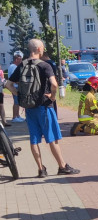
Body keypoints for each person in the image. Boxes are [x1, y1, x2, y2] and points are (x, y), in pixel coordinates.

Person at [5, 38, 80, 177]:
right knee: (52, 138)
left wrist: (19, 96)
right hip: (44, 107)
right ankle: (62, 166)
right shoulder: (45, 65)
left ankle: (41, 169)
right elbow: (54, 84)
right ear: (39, 49)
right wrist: (52, 96)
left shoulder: (22, 65)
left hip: (29, 108)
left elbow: (8, 84)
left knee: (34, 139)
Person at [7, 51, 25, 122]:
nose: (21, 61)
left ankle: (17, 115)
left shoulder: (14, 66)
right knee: (16, 102)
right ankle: (15, 117)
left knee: (17, 101)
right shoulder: (13, 67)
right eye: (20, 59)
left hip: (16, 86)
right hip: (15, 86)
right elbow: (13, 78)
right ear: (16, 59)